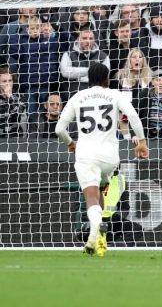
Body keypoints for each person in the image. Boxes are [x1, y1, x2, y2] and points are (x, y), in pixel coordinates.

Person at [55, 62, 149, 257]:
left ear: (89, 78)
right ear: (107, 79)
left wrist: (71, 143)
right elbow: (132, 115)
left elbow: (59, 129)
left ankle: (98, 226)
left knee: (90, 196)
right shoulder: (115, 95)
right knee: (100, 192)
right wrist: (141, 142)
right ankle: (95, 239)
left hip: (86, 154)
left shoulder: (78, 97)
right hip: (110, 157)